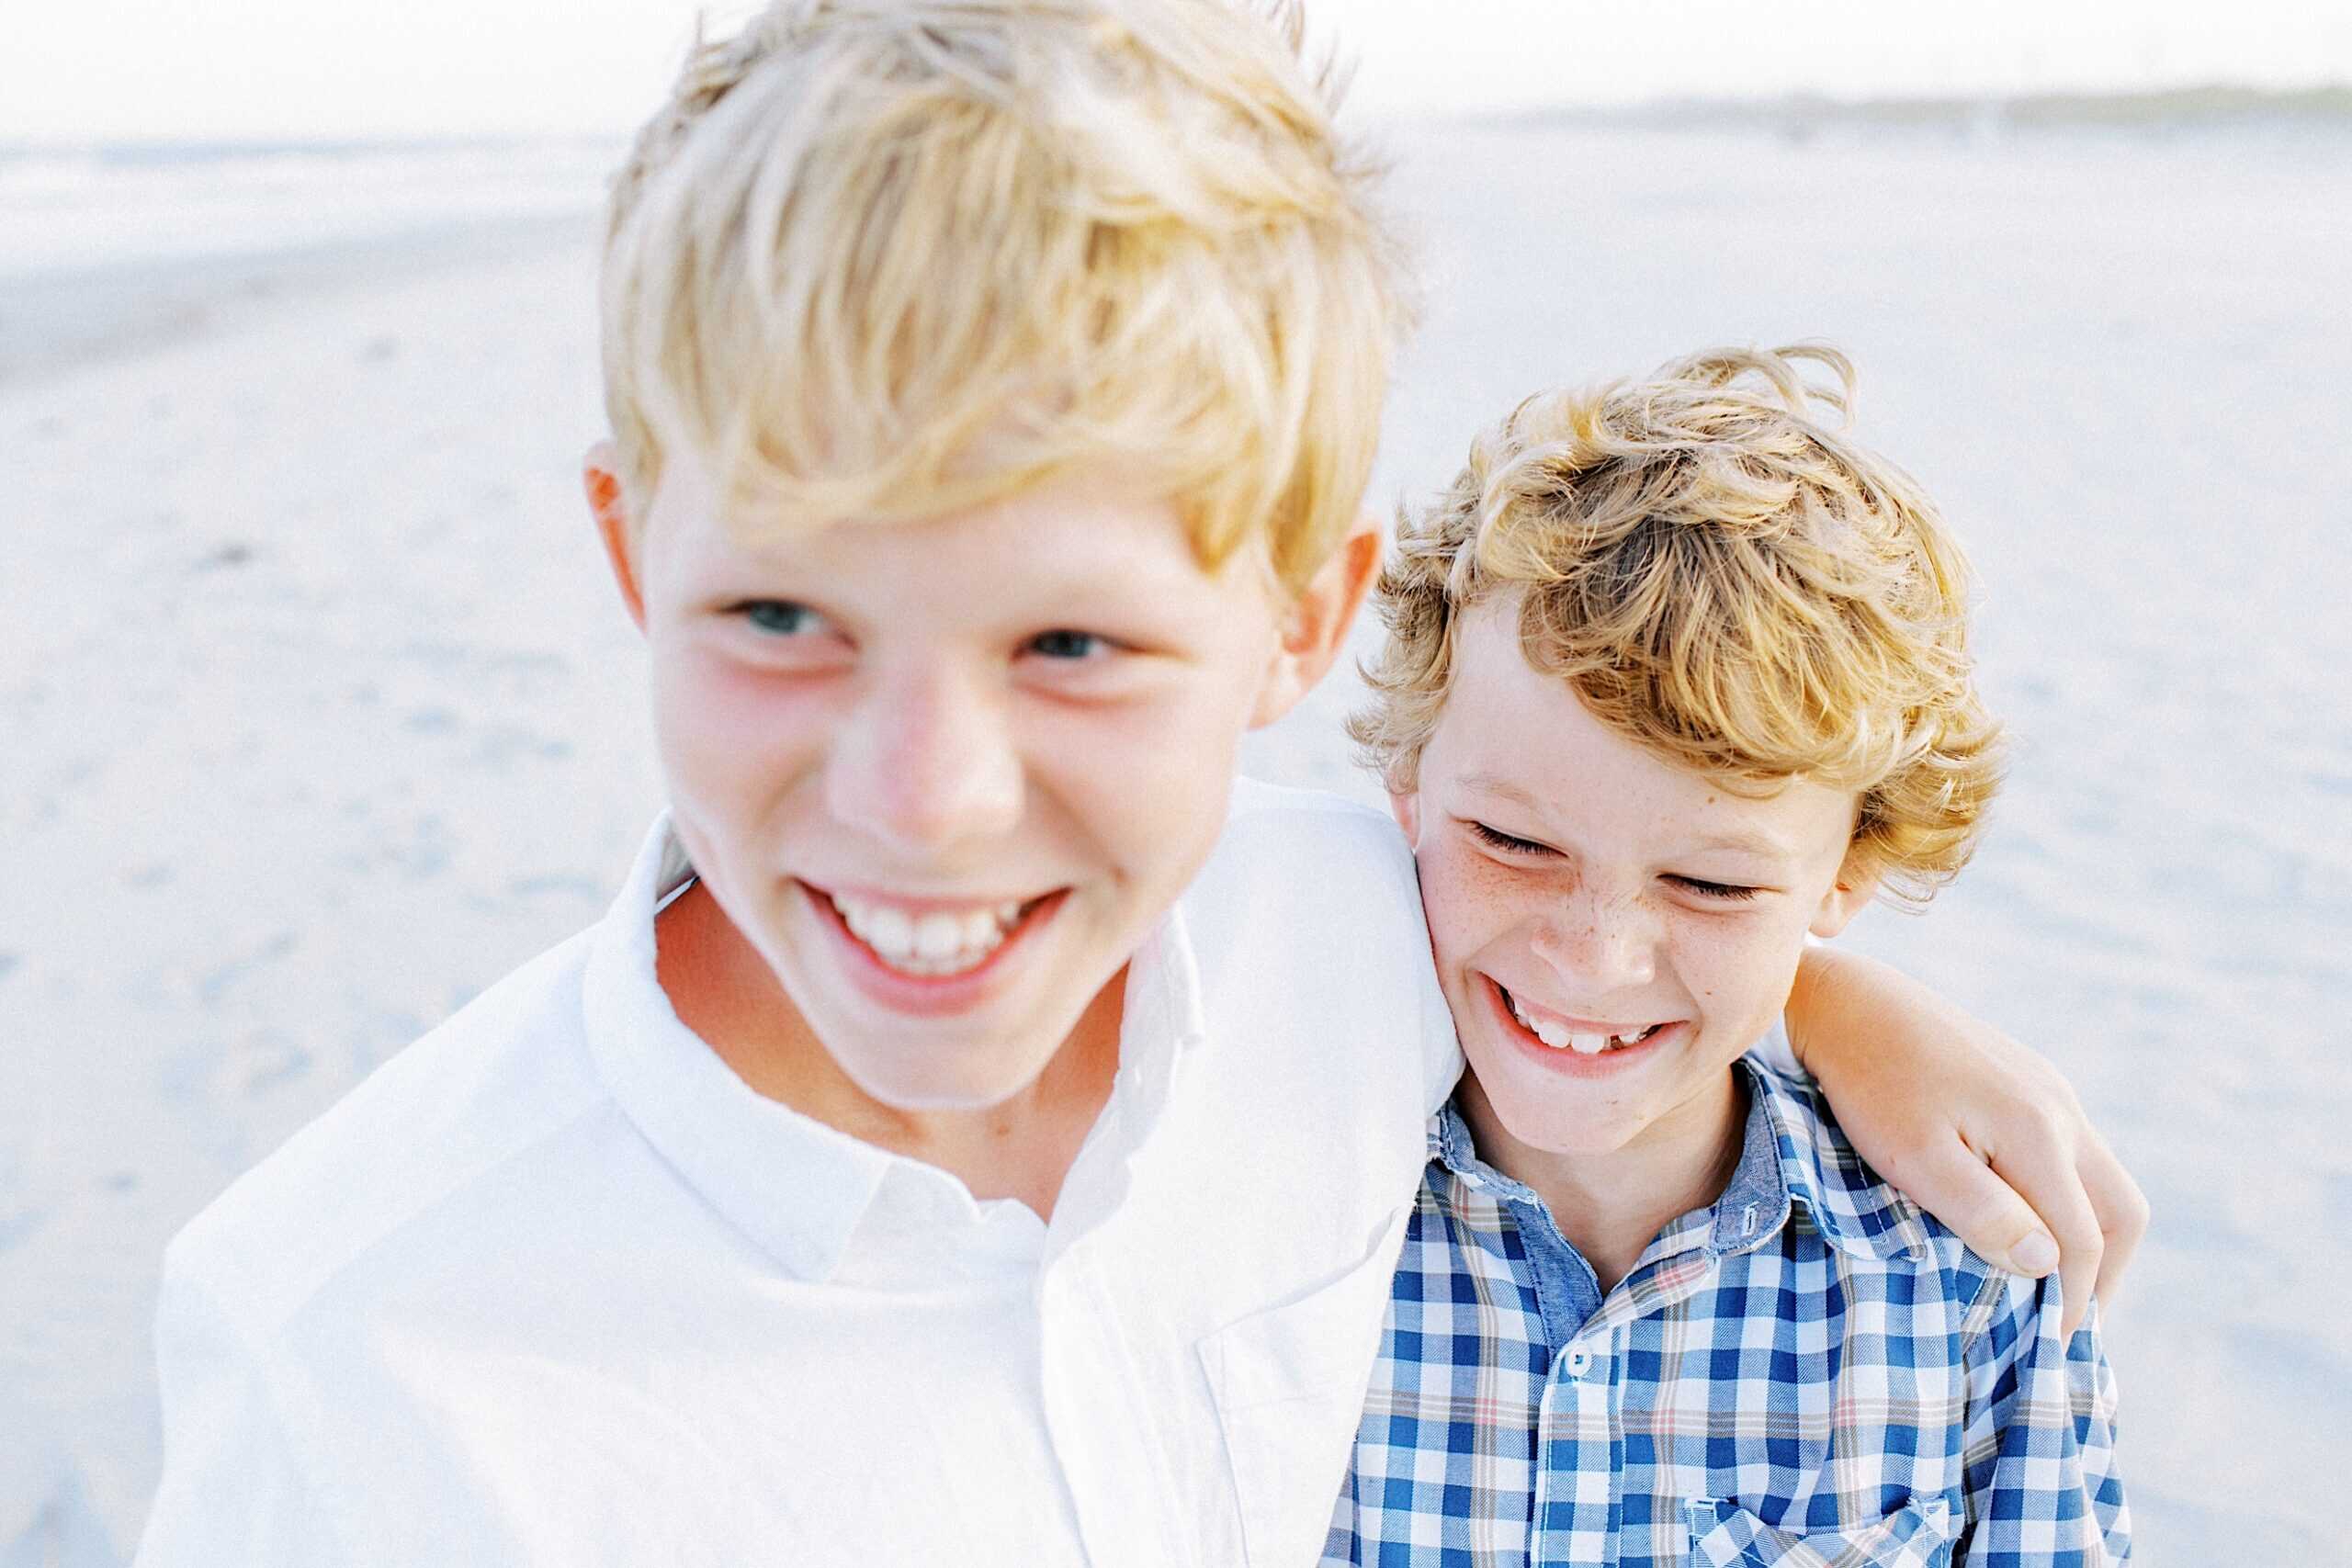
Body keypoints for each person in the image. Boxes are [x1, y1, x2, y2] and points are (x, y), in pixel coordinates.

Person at [132, 6, 2142, 1565]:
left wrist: (1834, 997)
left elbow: (1609, 892)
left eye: (1070, 645)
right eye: (777, 615)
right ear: (630, 552)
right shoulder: (353, 1356)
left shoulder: (1331, 946)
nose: (925, 799)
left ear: (1296, 622)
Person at [1327, 345, 2131, 1564]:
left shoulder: (1963, 1281)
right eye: (1511, 840)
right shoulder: (1263, 1187)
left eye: (1709, 883)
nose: (1593, 956)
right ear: (1408, 779)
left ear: (1849, 872)